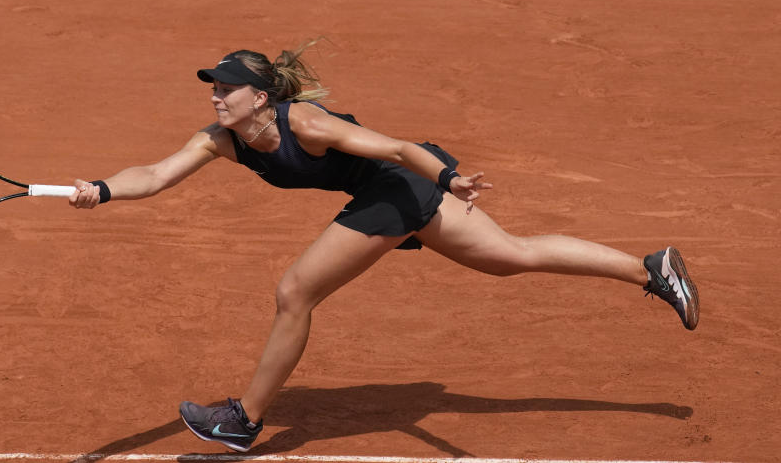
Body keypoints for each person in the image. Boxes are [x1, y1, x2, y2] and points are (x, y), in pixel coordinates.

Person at [67, 43, 699, 453]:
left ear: (259, 97)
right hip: (394, 193)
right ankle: (649, 270)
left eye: (224, 88)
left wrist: (449, 179)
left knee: (294, 292)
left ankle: (245, 418)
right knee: (510, 256)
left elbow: (397, 149)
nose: (213, 96)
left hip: (399, 186)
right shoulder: (220, 138)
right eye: (212, 86)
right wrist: (101, 188)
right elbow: (153, 175)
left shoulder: (305, 123)